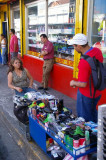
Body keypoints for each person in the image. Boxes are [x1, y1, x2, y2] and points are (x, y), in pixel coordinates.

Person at [68, 33, 103, 123]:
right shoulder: (97, 51)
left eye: (74, 46)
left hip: (86, 94)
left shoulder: (84, 62)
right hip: (97, 91)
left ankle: (88, 135)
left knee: (84, 120)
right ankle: (96, 132)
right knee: (93, 113)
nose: (74, 48)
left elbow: (83, 84)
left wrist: (73, 83)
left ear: (79, 46)